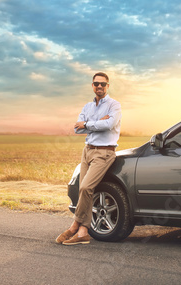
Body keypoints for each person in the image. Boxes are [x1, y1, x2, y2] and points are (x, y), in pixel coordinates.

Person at [56, 72, 122, 245]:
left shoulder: (114, 105)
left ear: (108, 86)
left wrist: (87, 124)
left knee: (86, 187)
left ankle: (74, 226)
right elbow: (77, 129)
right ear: (92, 86)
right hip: (87, 151)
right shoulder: (87, 106)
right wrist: (97, 123)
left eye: (102, 84)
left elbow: (109, 125)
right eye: (96, 83)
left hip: (104, 152)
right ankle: (83, 232)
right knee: (83, 190)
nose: (99, 86)